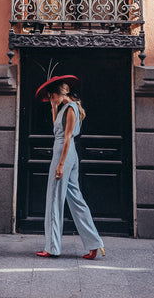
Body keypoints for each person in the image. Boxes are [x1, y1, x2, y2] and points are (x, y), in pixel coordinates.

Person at [35, 74, 105, 259]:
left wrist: (60, 164)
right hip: (68, 154)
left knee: (54, 199)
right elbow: (57, 130)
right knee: (75, 198)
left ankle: (52, 248)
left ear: (57, 93)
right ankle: (94, 244)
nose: (50, 100)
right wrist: (53, 108)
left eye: (51, 97)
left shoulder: (71, 109)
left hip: (63, 154)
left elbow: (66, 138)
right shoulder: (65, 108)